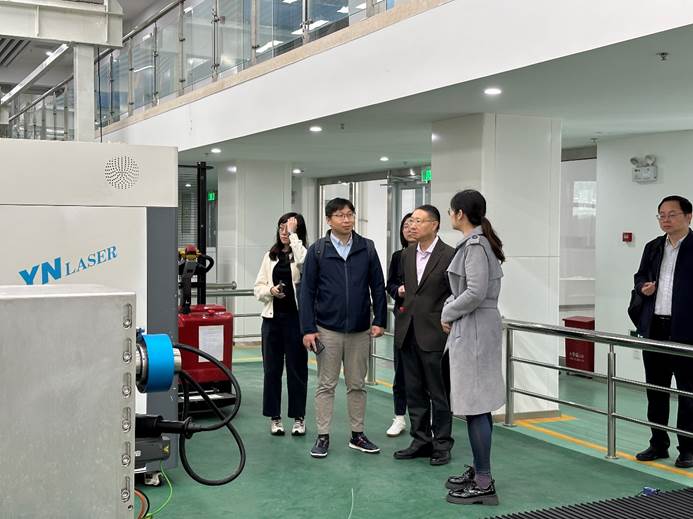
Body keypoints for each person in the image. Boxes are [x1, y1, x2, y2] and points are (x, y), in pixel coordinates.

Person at [299, 197, 388, 458]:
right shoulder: (318, 250)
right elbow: (306, 292)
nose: (347, 219)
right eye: (340, 215)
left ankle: (357, 435)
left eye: (350, 214)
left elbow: (378, 286)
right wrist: (308, 328)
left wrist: (380, 319)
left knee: (357, 384)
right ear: (329, 220)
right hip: (327, 329)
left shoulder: (366, 248)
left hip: (360, 329)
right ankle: (323, 436)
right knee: (326, 385)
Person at [442, 190, 505, 506]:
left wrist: (448, 312)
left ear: (460, 214)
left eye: (451, 211)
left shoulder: (476, 246)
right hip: (477, 327)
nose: (450, 215)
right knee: (477, 405)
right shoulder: (476, 244)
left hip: (476, 330)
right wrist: (453, 306)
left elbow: (476, 292)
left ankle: (483, 481)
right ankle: (480, 470)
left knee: (476, 406)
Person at [633, 195, 693, 468]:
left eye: (672, 214)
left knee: (688, 394)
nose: (666, 220)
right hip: (656, 327)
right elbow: (640, 276)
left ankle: (688, 448)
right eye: (662, 215)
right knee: (656, 391)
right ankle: (658, 443)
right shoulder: (654, 247)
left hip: (687, 331)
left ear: (688, 216)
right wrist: (643, 287)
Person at [392, 206, 455, 465]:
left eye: (419, 221)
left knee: (439, 393)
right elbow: (406, 291)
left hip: (435, 333)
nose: (412, 225)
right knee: (414, 391)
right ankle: (420, 440)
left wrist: (448, 319)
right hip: (407, 331)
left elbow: (456, 292)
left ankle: (442, 443)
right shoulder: (406, 254)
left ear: (435, 224)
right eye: (411, 221)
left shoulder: (449, 255)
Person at [254, 213, 308, 436]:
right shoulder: (270, 256)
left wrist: (294, 237)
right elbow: (258, 288)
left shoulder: (303, 253)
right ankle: (274, 417)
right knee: (271, 370)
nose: (284, 232)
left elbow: (304, 263)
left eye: (289, 228)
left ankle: (298, 418)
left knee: (297, 370)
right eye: (281, 228)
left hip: (296, 320)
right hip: (272, 320)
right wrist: (271, 290)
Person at [385, 213, 415, 437]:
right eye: (406, 225)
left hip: (427, 322)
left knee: (427, 375)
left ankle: (427, 420)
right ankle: (399, 417)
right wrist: (399, 290)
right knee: (401, 373)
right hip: (404, 320)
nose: (410, 228)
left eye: (414, 223)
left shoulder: (434, 256)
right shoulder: (398, 256)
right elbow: (390, 285)